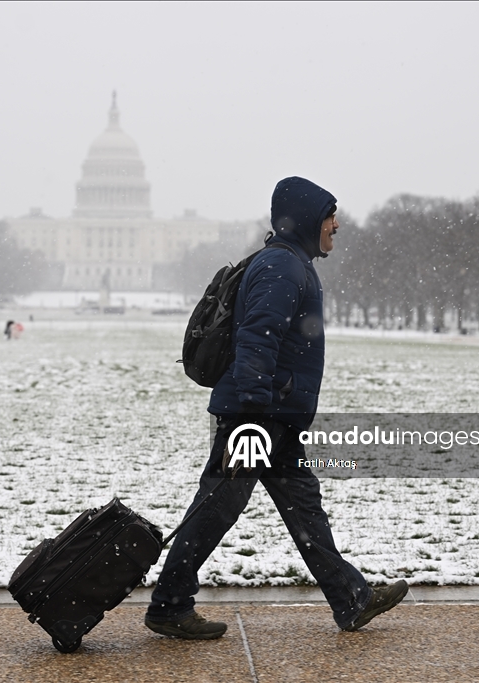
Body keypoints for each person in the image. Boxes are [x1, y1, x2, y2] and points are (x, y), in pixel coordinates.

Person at [145, 177, 408, 640]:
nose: (336, 225)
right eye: (330, 216)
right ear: (308, 219)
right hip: (259, 415)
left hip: (275, 416)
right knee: (216, 508)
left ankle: (352, 598)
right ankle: (169, 605)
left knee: (304, 512)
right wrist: (252, 408)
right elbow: (258, 336)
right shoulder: (282, 266)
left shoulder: (290, 263)